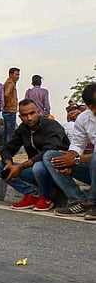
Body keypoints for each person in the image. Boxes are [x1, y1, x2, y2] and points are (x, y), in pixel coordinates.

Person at [0, 99, 69, 211]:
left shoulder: (52, 125)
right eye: (24, 115)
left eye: (32, 113)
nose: (29, 118)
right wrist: (8, 162)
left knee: (39, 166)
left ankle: (46, 197)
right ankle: (32, 195)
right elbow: (7, 149)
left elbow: (49, 151)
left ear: (39, 112)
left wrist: (20, 167)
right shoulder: (23, 129)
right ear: (20, 117)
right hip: (37, 171)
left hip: (59, 171)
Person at [43, 82, 96, 219]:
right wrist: (69, 159)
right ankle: (78, 201)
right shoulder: (84, 118)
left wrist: (75, 159)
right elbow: (77, 144)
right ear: (92, 107)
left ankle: (93, 204)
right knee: (51, 157)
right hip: (93, 170)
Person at [3, 66, 20, 146]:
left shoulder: (10, 83)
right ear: (10, 74)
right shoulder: (10, 83)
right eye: (16, 74)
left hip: (8, 110)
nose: (18, 76)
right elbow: (6, 94)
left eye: (18, 75)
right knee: (11, 132)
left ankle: (6, 147)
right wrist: (7, 104)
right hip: (10, 110)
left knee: (7, 131)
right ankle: (9, 148)